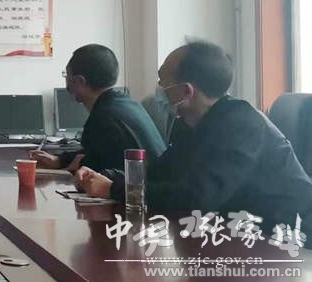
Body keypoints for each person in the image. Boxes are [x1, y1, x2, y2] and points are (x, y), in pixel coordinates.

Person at [77, 40, 312, 228]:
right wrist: (105, 178)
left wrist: (114, 190)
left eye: (162, 80)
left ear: (186, 91)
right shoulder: (190, 124)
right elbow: (159, 174)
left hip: (287, 240)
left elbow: (198, 198)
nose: (158, 88)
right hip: (236, 233)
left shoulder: (242, 125)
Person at [30, 44, 165, 172]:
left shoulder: (102, 119)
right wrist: (59, 160)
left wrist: (71, 168)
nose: (66, 81)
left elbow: (93, 173)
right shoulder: (129, 104)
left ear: (79, 82)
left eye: (67, 76)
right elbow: (96, 152)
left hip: (138, 188)